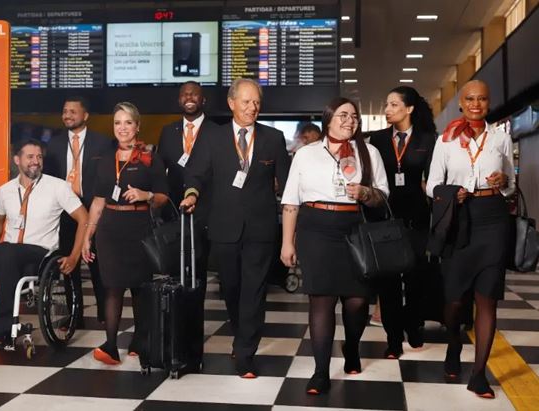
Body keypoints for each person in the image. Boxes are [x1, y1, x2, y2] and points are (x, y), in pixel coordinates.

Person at [180, 78, 291, 378]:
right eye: (245, 101)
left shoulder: (273, 138)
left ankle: (245, 352)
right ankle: (241, 332)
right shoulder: (212, 137)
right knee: (231, 288)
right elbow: (195, 172)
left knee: (254, 291)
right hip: (224, 226)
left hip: (261, 227)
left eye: (256, 102)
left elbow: (288, 182)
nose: (252, 108)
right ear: (231, 103)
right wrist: (191, 193)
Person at [280, 97, 389, 395]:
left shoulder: (370, 153)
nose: (349, 120)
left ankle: (351, 346)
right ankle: (320, 372)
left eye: (354, 116)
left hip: (355, 229)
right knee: (322, 301)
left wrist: (367, 192)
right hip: (315, 229)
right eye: (343, 115)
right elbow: (291, 201)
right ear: (328, 119)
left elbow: (383, 195)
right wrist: (287, 243)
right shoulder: (306, 154)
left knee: (357, 302)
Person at [426, 80, 515, 398]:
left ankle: (479, 374)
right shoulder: (446, 140)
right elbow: (431, 184)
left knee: (487, 297)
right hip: (459, 219)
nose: (476, 104)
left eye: (482, 99)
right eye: (470, 99)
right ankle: (453, 344)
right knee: (453, 299)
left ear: (489, 103)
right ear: (461, 103)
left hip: (493, 217)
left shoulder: (501, 137)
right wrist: (452, 192)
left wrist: (505, 181)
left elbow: (511, 186)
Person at [0, 138, 87, 344]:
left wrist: (74, 257)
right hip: (10, 251)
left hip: (41, 252)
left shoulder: (58, 187)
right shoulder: (5, 191)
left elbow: (83, 217)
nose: (35, 161)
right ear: (17, 160)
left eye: (39, 157)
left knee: (6, 253)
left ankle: (2, 328)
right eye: (30, 157)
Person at [82, 102, 169, 365]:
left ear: (137, 126)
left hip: (139, 227)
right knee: (112, 287)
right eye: (118, 123)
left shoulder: (150, 158)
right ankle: (110, 345)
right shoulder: (104, 160)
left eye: (128, 122)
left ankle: (140, 341)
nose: (122, 128)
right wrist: (87, 236)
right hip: (109, 228)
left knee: (140, 288)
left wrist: (147, 195)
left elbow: (164, 197)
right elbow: (97, 201)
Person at [368, 86, 437, 358]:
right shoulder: (378, 139)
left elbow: (434, 180)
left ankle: (414, 324)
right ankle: (393, 339)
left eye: (394, 105)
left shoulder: (428, 139)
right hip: (386, 220)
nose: (387, 109)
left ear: (409, 109)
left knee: (416, 278)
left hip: (417, 220)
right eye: (387, 104)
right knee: (389, 284)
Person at [156, 81, 219, 371]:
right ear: (179, 100)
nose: (189, 98)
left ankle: (194, 348)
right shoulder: (168, 132)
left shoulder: (218, 131)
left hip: (206, 215)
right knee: (174, 281)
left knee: (198, 282)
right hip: (173, 215)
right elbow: (161, 172)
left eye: (194, 93)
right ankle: (173, 342)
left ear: (202, 99)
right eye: (184, 94)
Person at [44, 96, 113, 327]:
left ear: (85, 116)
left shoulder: (102, 143)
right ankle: (76, 316)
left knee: (97, 262)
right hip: (65, 211)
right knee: (68, 262)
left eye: (73, 111)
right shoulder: (52, 144)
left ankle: (105, 314)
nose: (68, 115)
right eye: (65, 111)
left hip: (93, 209)